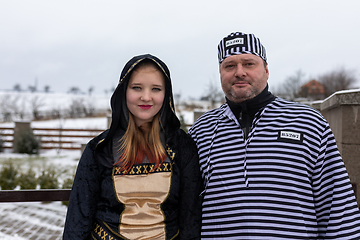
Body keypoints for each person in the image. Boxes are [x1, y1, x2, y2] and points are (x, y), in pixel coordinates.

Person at [188, 32, 360, 239]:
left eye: (249, 63)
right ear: (220, 73)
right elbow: (187, 208)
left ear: (267, 71)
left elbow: (337, 208)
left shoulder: (307, 122)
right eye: (230, 65)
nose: (239, 72)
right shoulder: (201, 130)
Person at [63, 54, 202, 239]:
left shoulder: (182, 147)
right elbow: (78, 218)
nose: (146, 97)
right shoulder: (99, 149)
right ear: (123, 91)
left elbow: (190, 218)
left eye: (156, 89)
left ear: (166, 94)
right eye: (137, 88)